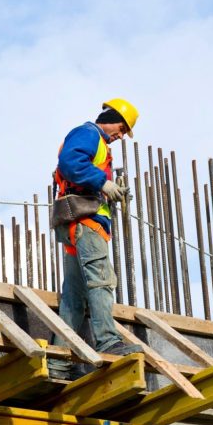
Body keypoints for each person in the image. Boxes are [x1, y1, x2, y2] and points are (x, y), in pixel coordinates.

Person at [49, 98, 143, 379]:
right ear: (111, 117)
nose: (121, 135)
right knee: (101, 280)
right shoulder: (90, 133)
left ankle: (59, 361)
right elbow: (70, 162)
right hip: (86, 223)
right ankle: (108, 341)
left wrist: (109, 190)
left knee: (74, 297)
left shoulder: (98, 144)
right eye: (122, 128)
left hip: (77, 224)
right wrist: (102, 183)